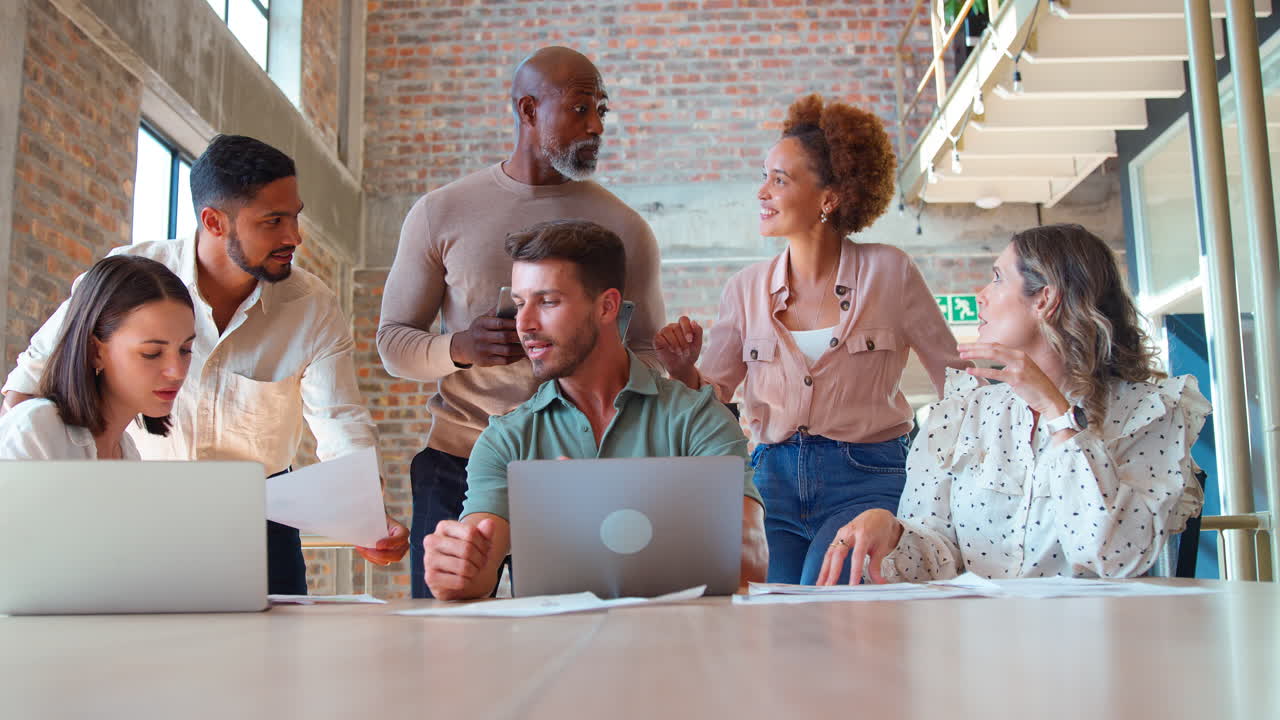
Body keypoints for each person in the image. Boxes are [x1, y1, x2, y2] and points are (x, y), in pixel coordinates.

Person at [2, 135, 408, 593]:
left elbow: (340, 421)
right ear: (214, 221)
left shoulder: (310, 305)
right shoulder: (131, 276)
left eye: (294, 217)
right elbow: (30, 380)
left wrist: (366, 513)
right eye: (273, 221)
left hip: (259, 521)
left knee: (272, 658)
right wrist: (36, 469)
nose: (293, 236)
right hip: (138, 508)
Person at [378, 46, 667, 598]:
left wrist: (588, 353)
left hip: (577, 468)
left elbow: (650, 355)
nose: (596, 127)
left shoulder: (624, 229)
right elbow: (393, 345)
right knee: (451, 653)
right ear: (529, 111)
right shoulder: (441, 212)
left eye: (601, 111)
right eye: (581, 109)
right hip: (458, 463)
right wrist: (459, 347)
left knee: (580, 649)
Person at [654, 95, 965, 585]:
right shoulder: (744, 289)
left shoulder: (891, 272)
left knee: (828, 608)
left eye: (780, 179)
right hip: (768, 484)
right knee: (772, 617)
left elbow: (958, 382)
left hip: (867, 481)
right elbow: (710, 400)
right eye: (764, 175)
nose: (762, 191)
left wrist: (946, 470)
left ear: (829, 197)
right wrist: (683, 370)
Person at [817, 224, 1210, 584]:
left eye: (997, 278)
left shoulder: (1148, 413)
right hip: (978, 645)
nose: (981, 296)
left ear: (1045, 299)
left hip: (1094, 647)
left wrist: (1060, 419)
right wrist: (894, 532)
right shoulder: (964, 412)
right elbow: (939, 560)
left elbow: (1113, 557)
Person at [420, 219, 765, 601]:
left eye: (547, 301)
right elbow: (478, 569)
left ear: (607, 306)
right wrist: (456, 569)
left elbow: (750, 558)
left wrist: (607, 501)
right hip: (553, 654)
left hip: (676, 651)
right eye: (519, 303)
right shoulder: (506, 440)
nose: (524, 324)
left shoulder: (698, 419)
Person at [0, 256, 194, 460]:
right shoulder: (35, 431)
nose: (178, 372)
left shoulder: (128, 454)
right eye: (152, 353)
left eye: (185, 350)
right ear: (95, 351)